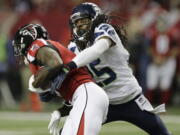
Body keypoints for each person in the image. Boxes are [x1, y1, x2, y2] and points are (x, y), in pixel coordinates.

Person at [48, 2, 172, 135]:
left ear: (95, 19)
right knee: (68, 132)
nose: (80, 27)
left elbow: (97, 49)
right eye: (76, 23)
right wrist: (60, 110)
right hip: (102, 103)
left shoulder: (105, 29)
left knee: (162, 133)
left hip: (130, 99)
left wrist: (69, 66)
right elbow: (79, 87)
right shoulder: (73, 48)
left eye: (83, 21)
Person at [12, 23, 109, 135]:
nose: (18, 48)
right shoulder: (43, 55)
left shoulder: (37, 45)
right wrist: (59, 112)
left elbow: (55, 63)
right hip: (82, 97)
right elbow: (71, 94)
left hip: (87, 94)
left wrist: (35, 83)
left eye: (19, 43)